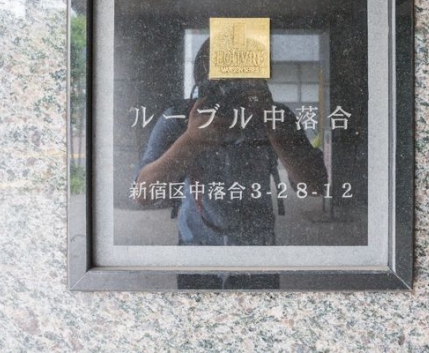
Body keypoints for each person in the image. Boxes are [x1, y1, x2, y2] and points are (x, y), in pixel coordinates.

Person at [134, 40, 327, 246]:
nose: (231, 93)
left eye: (241, 83)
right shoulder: (181, 118)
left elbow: (316, 187)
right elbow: (143, 194)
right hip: (198, 243)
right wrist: (190, 140)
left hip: (254, 245)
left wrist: (273, 127)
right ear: (202, 84)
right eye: (221, 85)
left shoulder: (276, 117)